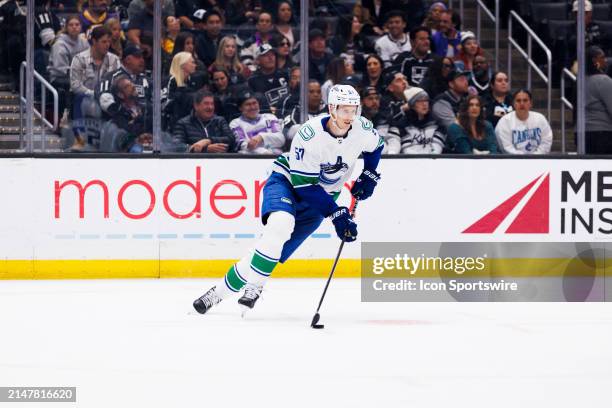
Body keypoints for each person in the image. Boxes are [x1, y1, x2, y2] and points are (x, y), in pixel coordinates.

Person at [192, 84, 383, 315]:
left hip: (323, 196)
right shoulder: (309, 135)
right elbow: (305, 186)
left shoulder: (361, 127)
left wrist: (369, 174)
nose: (350, 116)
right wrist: (336, 214)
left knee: (270, 247)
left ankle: (216, 294)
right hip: (288, 182)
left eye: (354, 110)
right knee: (280, 225)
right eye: (344, 110)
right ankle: (255, 286)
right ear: (332, 109)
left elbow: (376, 146)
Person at [70, 25, 121, 149]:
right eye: (104, 41)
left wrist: (105, 95)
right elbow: (75, 85)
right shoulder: (79, 59)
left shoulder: (114, 60)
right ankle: (80, 140)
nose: (107, 45)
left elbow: (119, 82)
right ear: (94, 41)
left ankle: (117, 140)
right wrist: (94, 94)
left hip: (108, 98)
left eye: (109, 41)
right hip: (87, 97)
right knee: (80, 98)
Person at [47, 15, 89, 118]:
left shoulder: (84, 42)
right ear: (66, 27)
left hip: (78, 75)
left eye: (77, 24)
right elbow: (60, 68)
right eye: (71, 25)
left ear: (81, 27)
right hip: (59, 77)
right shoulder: (59, 44)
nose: (74, 27)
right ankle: (66, 119)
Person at [99, 75, 152, 153]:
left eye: (132, 83)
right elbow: (127, 135)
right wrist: (140, 124)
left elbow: (156, 124)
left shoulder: (146, 107)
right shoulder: (119, 116)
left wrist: (137, 120)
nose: (133, 86)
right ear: (120, 94)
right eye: (127, 86)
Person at [97, 45, 151, 120]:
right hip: (121, 124)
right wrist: (125, 114)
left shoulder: (147, 80)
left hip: (146, 122)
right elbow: (104, 100)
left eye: (142, 57)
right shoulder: (111, 77)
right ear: (128, 59)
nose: (142, 60)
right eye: (138, 57)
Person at [388, 87, 445, 154]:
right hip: (412, 162)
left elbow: (437, 147)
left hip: (433, 161)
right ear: (412, 105)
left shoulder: (437, 122)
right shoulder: (402, 125)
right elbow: (407, 149)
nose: (424, 104)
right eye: (420, 101)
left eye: (426, 100)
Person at [495, 89, 553, 154]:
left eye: (525, 100)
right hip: (513, 161)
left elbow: (546, 141)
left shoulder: (540, 119)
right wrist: (524, 159)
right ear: (513, 104)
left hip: (538, 160)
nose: (522, 103)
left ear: (531, 103)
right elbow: (506, 147)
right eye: (518, 101)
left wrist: (535, 157)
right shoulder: (504, 122)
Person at [163, 51, 205, 131]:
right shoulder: (171, 80)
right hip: (169, 124)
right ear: (183, 64)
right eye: (192, 62)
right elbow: (164, 104)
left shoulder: (191, 82)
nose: (195, 65)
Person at [585, 46, 612, 154]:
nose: (605, 60)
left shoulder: (579, 81)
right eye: (602, 57)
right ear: (595, 61)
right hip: (603, 133)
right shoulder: (604, 81)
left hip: (582, 133)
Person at [247, 44, 289, 112]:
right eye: (265, 55)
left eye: (272, 54)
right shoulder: (252, 80)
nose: (270, 58)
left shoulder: (286, 74)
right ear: (258, 60)